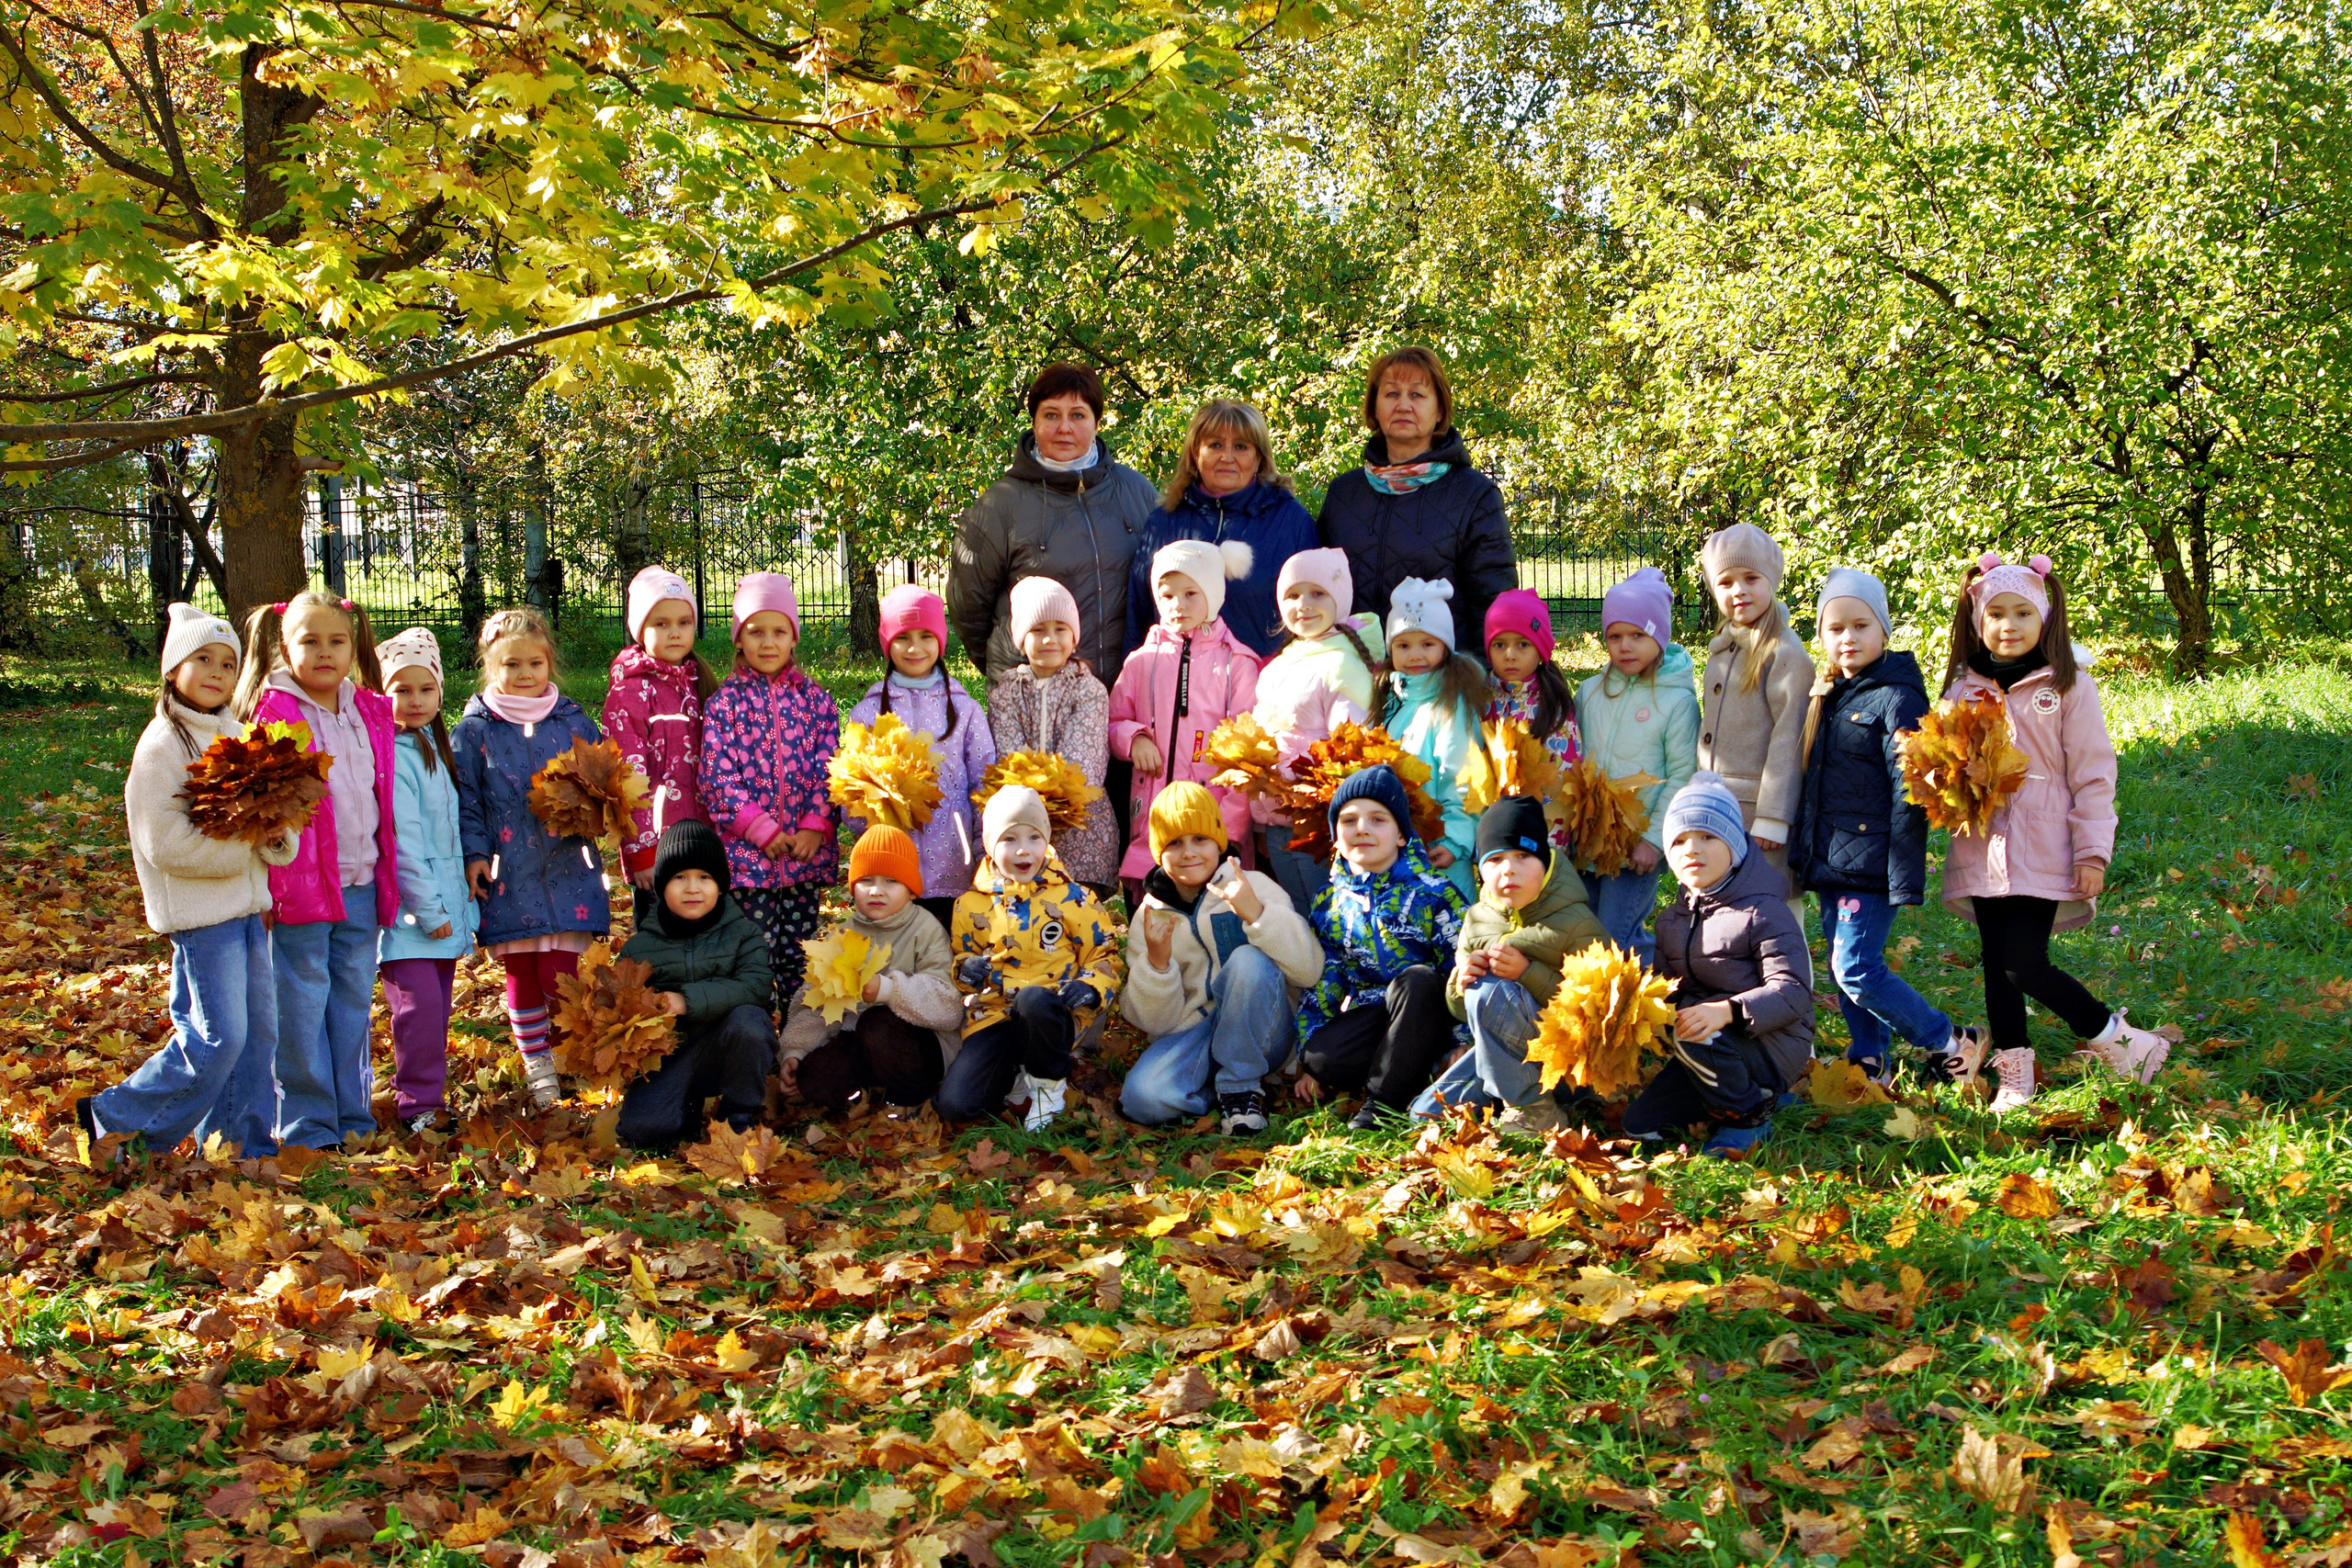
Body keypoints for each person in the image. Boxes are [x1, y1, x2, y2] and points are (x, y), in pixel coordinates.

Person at [1939, 552, 2169, 1111]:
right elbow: (1941, 763)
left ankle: (2119, 1040)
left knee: (2024, 962)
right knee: (1997, 965)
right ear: (1977, 621)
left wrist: (2092, 851)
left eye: (2022, 613)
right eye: (1996, 614)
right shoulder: (1963, 689)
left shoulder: (2067, 686)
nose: (2008, 625)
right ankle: (2015, 1071)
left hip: (2045, 845)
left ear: (2044, 619)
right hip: (1983, 846)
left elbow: (2093, 773)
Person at [77, 605, 297, 1157]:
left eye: (228, 663)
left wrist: (275, 833)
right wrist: (243, 842)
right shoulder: (161, 747)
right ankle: (116, 1119)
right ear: (173, 668)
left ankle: (238, 1144)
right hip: (201, 919)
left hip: (247, 910)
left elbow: (269, 819)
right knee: (216, 1036)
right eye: (203, 659)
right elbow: (166, 845)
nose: (217, 672)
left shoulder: (240, 736)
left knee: (257, 1036)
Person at [1790, 570, 1983, 1090]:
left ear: (1884, 631)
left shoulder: (1897, 697)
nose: (1848, 638)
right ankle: (1869, 1055)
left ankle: (1950, 1041)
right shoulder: (1831, 694)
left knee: (1855, 966)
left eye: (1861, 625)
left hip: (1872, 863)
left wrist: (1902, 871)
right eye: (1835, 628)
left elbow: (1910, 791)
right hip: (1832, 858)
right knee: (1842, 963)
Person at [239, 591, 401, 1149]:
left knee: (352, 1002)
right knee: (302, 1004)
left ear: (353, 647)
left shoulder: (370, 711)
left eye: (337, 641)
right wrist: (266, 888)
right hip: (301, 888)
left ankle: (352, 1113)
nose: (325, 652)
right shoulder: (273, 713)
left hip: (362, 882)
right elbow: (260, 811)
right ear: (285, 647)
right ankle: (307, 1122)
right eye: (310, 641)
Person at [451, 605, 607, 1112]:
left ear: (549, 664)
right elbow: (467, 801)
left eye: (534, 664)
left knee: (561, 974)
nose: (524, 674)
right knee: (521, 973)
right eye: (511, 664)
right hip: (508, 872)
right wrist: (475, 854)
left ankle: (567, 1056)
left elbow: (605, 781)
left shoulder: (574, 722)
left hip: (569, 867)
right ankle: (539, 1068)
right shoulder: (474, 731)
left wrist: (598, 811)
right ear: (490, 667)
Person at [1624, 773, 1814, 1157]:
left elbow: (1793, 991)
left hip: (1769, 1043)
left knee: (1698, 1037)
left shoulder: (1764, 909)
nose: (1692, 849)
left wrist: (1727, 1011)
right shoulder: (1672, 920)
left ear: (1735, 846)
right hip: (1705, 1041)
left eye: (1708, 837)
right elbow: (1668, 992)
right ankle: (1739, 1094)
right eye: (1679, 841)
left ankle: (1749, 1115)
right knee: (1639, 1126)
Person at [1119, 784, 1323, 1134]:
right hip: (1194, 1035)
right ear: (1157, 851)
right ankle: (1217, 1091)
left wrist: (1257, 915)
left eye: (1200, 839)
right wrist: (1157, 965)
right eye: (1174, 843)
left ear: (1218, 841)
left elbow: (1309, 970)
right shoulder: (1149, 915)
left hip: (1264, 1034)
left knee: (1247, 961)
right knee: (1142, 1099)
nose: (1188, 853)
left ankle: (1240, 1087)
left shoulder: (1254, 886)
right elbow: (1153, 1022)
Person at [950, 362, 1159, 688]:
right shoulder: (1000, 505)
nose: (1064, 427)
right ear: (1034, 422)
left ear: (1096, 423)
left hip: (1127, 694)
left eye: (1077, 415)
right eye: (1051, 414)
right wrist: (1017, 671)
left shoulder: (1136, 492)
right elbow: (969, 610)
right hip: (1033, 697)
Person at [1414, 795, 1606, 1134]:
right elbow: (1464, 1012)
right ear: (1480, 869)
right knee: (1425, 1114)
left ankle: (1536, 1109)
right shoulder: (1477, 919)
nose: (1508, 870)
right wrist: (1460, 984)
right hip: (1502, 1055)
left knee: (1489, 991)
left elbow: (1598, 1010)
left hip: (1568, 1065)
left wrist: (1527, 973)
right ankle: (1511, 1095)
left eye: (1523, 856)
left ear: (1546, 861)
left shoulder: (1576, 921)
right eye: (1495, 859)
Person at [1295, 765, 1468, 1132]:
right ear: (1336, 836)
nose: (1362, 829)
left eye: (1377, 819)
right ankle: (1407, 1073)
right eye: (1349, 820)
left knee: (1417, 980)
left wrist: (1463, 1039)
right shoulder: (1329, 903)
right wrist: (1309, 1059)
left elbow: (1462, 969)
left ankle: (1383, 1104)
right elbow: (1327, 978)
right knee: (1319, 1057)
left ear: (1401, 835)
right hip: (1375, 1015)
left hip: (1429, 1012)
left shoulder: (1434, 892)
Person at [1315, 345, 1516, 660]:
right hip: (1351, 675)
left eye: (1418, 395)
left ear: (1440, 411)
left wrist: (1476, 677)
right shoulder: (1344, 494)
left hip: (1440, 678)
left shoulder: (1474, 495)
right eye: (1392, 394)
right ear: (1375, 408)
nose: (1403, 405)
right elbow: (1317, 589)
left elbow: (1495, 606)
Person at [942, 786, 1124, 1131]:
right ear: (990, 845)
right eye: (1009, 839)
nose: (1023, 849)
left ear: (1047, 840)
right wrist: (966, 970)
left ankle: (1048, 1086)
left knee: (1033, 1001)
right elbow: (961, 955)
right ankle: (1015, 1076)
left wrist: (1091, 987)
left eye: (1034, 837)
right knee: (956, 1104)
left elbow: (1104, 955)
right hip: (995, 1016)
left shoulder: (1075, 898)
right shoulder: (971, 904)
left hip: (1051, 1015)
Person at [699, 572, 841, 1009]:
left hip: (802, 857)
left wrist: (815, 826)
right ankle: (757, 1038)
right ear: (739, 639)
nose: (767, 642)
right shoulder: (724, 704)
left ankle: (799, 1036)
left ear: (793, 638)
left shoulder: (816, 701)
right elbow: (718, 778)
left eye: (779, 631)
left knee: (799, 957)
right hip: (747, 862)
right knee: (754, 957)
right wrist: (759, 829)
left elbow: (833, 769)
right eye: (755, 631)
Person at [778, 825, 963, 1115]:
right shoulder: (843, 934)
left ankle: (909, 1098)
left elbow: (949, 1007)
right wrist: (795, 1050)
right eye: (866, 880)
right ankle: (863, 1095)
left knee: (877, 1023)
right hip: (860, 1044)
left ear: (911, 890)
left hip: (918, 1047)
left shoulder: (925, 929)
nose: (877, 890)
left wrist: (888, 990)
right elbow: (815, 1001)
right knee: (813, 1078)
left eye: (891, 881)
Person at [614, 823, 778, 1148]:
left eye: (704, 877)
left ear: (720, 885)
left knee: (750, 1022)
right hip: (668, 1057)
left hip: (727, 1046)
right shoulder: (639, 948)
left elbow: (757, 987)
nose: (692, 888)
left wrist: (686, 1001)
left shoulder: (743, 934)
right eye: (679, 877)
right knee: (642, 1131)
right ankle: (684, 1109)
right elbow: (619, 1009)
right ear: (662, 885)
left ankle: (738, 1115)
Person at [1109, 539, 1261, 886]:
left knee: (1214, 910)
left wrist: (1229, 832)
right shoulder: (1142, 661)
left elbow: (1248, 755)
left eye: (1191, 593)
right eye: (1167, 595)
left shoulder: (1237, 663)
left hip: (1213, 824)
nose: (1178, 604)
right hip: (1155, 821)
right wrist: (1134, 739)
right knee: (1155, 906)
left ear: (1213, 592)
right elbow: (1114, 721)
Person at [377, 627, 478, 1134]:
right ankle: (417, 1105)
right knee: (417, 1011)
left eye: (426, 689)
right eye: (402, 689)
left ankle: (426, 1098)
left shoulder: (433, 749)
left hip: (440, 910)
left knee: (436, 1012)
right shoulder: (395, 756)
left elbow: (449, 837)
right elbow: (405, 844)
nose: (415, 700)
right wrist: (432, 910)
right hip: (410, 918)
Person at [846, 585, 994, 929]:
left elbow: (984, 781)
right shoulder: (867, 713)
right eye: (902, 637)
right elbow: (851, 791)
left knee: (948, 949)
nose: (915, 648)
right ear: (887, 642)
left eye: (926, 636)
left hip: (955, 866)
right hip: (890, 871)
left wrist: (981, 848)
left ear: (940, 640)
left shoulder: (965, 710)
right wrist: (869, 832)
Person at [1126, 399, 1318, 660]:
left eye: (1241, 446)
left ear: (1259, 458)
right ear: (1195, 453)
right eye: (1215, 445)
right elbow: (1138, 616)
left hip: (1265, 678)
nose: (1227, 457)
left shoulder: (1291, 521)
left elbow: (1316, 616)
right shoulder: (1164, 522)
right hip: (1176, 678)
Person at [1576, 569, 1699, 962]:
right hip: (1589, 839)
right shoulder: (1590, 692)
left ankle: (1643, 993)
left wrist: (1654, 840)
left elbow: (1682, 775)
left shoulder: (1676, 702)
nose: (1625, 646)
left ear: (1658, 637)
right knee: (1587, 931)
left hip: (1636, 845)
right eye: (1615, 636)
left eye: (1638, 635)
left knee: (1619, 934)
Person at [1250, 547, 1384, 911]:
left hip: (1319, 822)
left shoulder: (1342, 664)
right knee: (1296, 912)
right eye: (1292, 595)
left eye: (1317, 593)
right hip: (1277, 818)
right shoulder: (1280, 664)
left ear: (1339, 598)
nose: (1303, 605)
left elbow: (1349, 752)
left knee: (1327, 911)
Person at [1695, 524, 1814, 928]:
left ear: (1771, 582)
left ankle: (1792, 970)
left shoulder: (1784, 653)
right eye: (1726, 582)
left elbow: (1790, 736)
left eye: (1751, 578)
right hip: (1720, 806)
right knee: (1727, 913)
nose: (1739, 591)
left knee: (1774, 912)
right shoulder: (1724, 648)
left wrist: (1775, 816)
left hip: (1759, 815)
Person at [986, 576, 1119, 896]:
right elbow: (1010, 760)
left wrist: (1050, 798)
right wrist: (1027, 805)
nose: (1050, 639)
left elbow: (1083, 766)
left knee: (1078, 914)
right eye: (1038, 630)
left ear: (1074, 637)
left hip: (1081, 831)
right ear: (1021, 639)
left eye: (1060, 629)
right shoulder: (1006, 693)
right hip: (1022, 832)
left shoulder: (1088, 690)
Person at [605, 567, 715, 927]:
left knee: (706, 937)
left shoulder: (702, 684)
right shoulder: (629, 692)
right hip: (657, 849)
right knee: (659, 937)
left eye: (684, 622)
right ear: (640, 630)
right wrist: (640, 852)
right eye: (661, 624)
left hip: (704, 841)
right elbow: (626, 778)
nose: (675, 632)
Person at [1379, 577, 1487, 894]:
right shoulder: (1391, 701)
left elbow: (1463, 777)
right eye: (1403, 645)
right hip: (1396, 848)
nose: (1415, 655)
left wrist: (1455, 839)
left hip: (1440, 850)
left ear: (1445, 648)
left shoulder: (1450, 707)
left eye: (1427, 644)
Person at [1482, 587, 1581, 855]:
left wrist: (1553, 845)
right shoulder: (1481, 699)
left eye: (1523, 644)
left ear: (1541, 651)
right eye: (1499, 644)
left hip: (1544, 834)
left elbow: (1566, 776)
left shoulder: (1553, 704)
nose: (1510, 654)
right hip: (1494, 834)